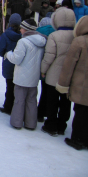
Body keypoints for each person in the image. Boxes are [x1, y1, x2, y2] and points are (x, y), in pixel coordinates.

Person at [5, 19, 47, 130]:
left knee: (19, 100)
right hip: (34, 77)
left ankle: (17, 122)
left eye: (22, 28)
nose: (20, 29)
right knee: (32, 101)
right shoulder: (42, 41)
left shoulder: (23, 42)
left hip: (22, 77)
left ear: (26, 29)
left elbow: (16, 59)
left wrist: (8, 54)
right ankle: (31, 123)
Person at [40, 8, 76, 137]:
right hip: (69, 75)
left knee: (52, 101)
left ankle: (51, 125)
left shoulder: (54, 36)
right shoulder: (76, 35)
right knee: (66, 102)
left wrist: (43, 70)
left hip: (54, 74)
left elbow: (49, 56)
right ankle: (62, 125)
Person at [56, 15, 88, 150]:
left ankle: (78, 139)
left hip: (81, 84)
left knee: (80, 111)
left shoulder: (79, 41)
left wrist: (63, 84)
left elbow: (69, 66)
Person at [0, 14, 22, 115]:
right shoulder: (22, 35)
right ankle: (17, 106)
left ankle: (8, 106)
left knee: (9, 86)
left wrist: (5, 55)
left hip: (9, 64)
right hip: (20, 64)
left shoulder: (5, 35)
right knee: (19, 87)